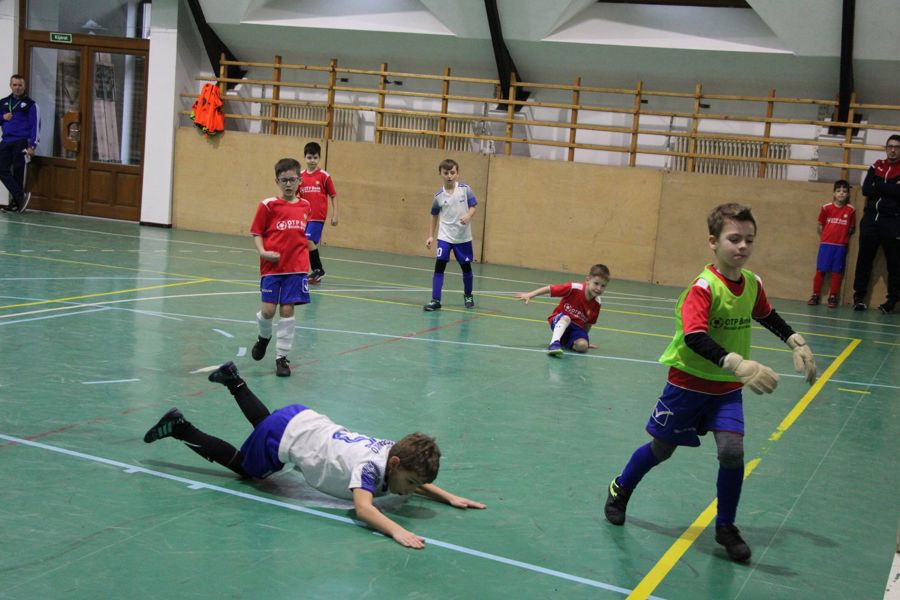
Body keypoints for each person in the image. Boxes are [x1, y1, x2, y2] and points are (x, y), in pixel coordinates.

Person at [602, 203, 817, 563]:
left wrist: (794, 339)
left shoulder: (752, 283)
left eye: (749, 239)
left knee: (732, 452)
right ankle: (620, 488)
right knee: (662, 450)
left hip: (726, 390)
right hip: (687, 386)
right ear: (713, 242)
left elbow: (765, 313)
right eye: (734, 239)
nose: (743, 246)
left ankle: (725, 526)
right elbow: (694, 337)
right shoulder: (703, 288)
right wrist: (738, 363)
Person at [143, 361, 486, 549]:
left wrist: (448, 496)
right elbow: (364, 509)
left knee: (264, 425)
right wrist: (396, 530)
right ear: (394, 464)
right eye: (410, 484)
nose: (411, 490)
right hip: (287, 435)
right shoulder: (370, 469)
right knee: (247, 470)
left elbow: (412, 476)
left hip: (302, 418)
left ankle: (234, 380)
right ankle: (181, 427)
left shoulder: (392, 452)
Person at [249, 158, 312, 377]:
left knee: (287, 310)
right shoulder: (268, 205)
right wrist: (263, 252)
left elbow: (303, 236)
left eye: (292, 179)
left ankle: (281, 358)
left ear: (299, 180)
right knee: (268, 311)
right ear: (277, 181)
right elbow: (257, 232)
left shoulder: (306, 206)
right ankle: (264, 337)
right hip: (272, 268)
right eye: (284, 180)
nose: (288, 184)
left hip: (296, 268)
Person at [515, 264, 610, 356]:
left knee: (582, 346)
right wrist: (530, 294)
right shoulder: (574, 288)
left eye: (603, 286)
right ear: (588, 279)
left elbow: (588, 323)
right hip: (560, 319)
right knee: (566, 318)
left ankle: (564, 341)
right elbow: (550, 289)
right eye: (596, 283)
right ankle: (553, 344)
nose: (599, 288)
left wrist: (584, 338)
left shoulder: (597, 303)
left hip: (576, 328)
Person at [852, 134, 900, 314]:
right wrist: (891, 188)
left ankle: (892, 301)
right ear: (886, 148)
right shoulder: (876, 166)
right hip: (870, 220)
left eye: (897, 147)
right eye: (890, 146)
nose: (893, 150)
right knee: (864, 260)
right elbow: (866, 189)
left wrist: (878, 186)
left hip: (893, 221)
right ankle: (858, 298)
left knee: (895, 263)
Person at [423, 158, 478, 311]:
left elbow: (474, 206)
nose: (449, 176)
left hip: (463, 237)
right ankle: (435, 300)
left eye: (452, 172)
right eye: (446, 173)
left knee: (466, 268)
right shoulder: (438, 196)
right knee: (439, 266)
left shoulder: (465, 190)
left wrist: (468, 215)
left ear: (457, 174)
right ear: (440, 174)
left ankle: (468, 296)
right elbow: (434, 214)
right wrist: (431, 236)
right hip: (445, 237)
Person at [808, 180, 855, 308]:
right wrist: (825, 236)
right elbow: (820, 225)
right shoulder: (826, 208)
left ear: (848, 194)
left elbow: (851, 228)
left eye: (844, 191)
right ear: (834, 193)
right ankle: (815, 295)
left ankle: (833, 296)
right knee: (820, 270)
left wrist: (842, 237)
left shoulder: (851, 210)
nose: (841, 193)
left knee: (836, 272)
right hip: (826, 244)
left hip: (840, 247)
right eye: (838, 191)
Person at [298, 141, 337, 284]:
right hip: (304, 218)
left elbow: (333, 195)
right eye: (309, 157)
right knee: (304, 244)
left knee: (307, 240)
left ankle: (319, 269)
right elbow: (295, 197)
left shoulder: (324, 176)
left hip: (317, 217)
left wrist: (335, 215)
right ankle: (314, 273)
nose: (312, 160)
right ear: (304, 157)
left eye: (315, 157)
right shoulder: (300, 177)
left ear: (319, 158)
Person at [0, 74, 39, 213]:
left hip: (21, 142)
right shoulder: (3, 102)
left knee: (18, 172)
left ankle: (15, 203)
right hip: (6, 141)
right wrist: (3, 117)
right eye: (14, 85)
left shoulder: (31, 104)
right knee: (2, 169)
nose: (17, 88)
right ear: (10, 86)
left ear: (24, 86)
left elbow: (35, 126)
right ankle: (20, 197)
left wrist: (32, 145)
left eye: (20, 85)